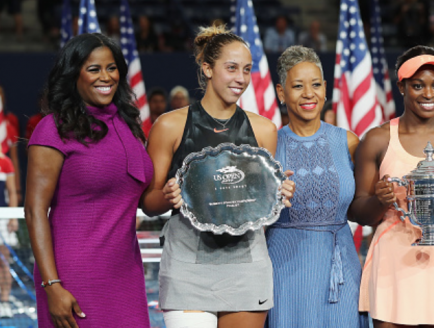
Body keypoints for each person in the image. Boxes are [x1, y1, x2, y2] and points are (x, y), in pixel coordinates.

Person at [139, 24, 295, 328]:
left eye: (247, 70)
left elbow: (260, 207)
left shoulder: (264, 129)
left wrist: (277, 194)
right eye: (232, 68)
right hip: (188, 265)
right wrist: (168, 196)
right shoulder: (169, 126)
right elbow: (148, 202)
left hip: (247, 266)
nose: (241, 79)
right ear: (207, 68)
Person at [350, 45, 434, 328]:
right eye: (418, 85)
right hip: (393, 263)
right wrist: (380, 200)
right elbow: (358, 211)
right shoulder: (377, 139)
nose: (429, 94)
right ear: (401, 86)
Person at [25, 33, 152, 327]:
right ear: (74, 75)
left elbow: (143, 197)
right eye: (93, 69)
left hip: (126, 273)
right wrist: (52, 284)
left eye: (112, 67)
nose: (105, 76)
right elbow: (34, 211)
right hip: (73, 274)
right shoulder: (53, 128)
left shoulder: (128, 125)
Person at [265, 46, 367, 327]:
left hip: (341, 268)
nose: (308, 93)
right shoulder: (268, 145)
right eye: (297, 86)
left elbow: (364, 205)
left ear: (325, 88)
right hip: (283, 268)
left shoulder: (348, 141)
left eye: (315, 85)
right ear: (281, 93)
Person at [0, 151, 17, 319]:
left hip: (2, 218)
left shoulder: (5, 162)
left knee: (3, 262)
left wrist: (13, 217)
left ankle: (4, 302)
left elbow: (12, 192)